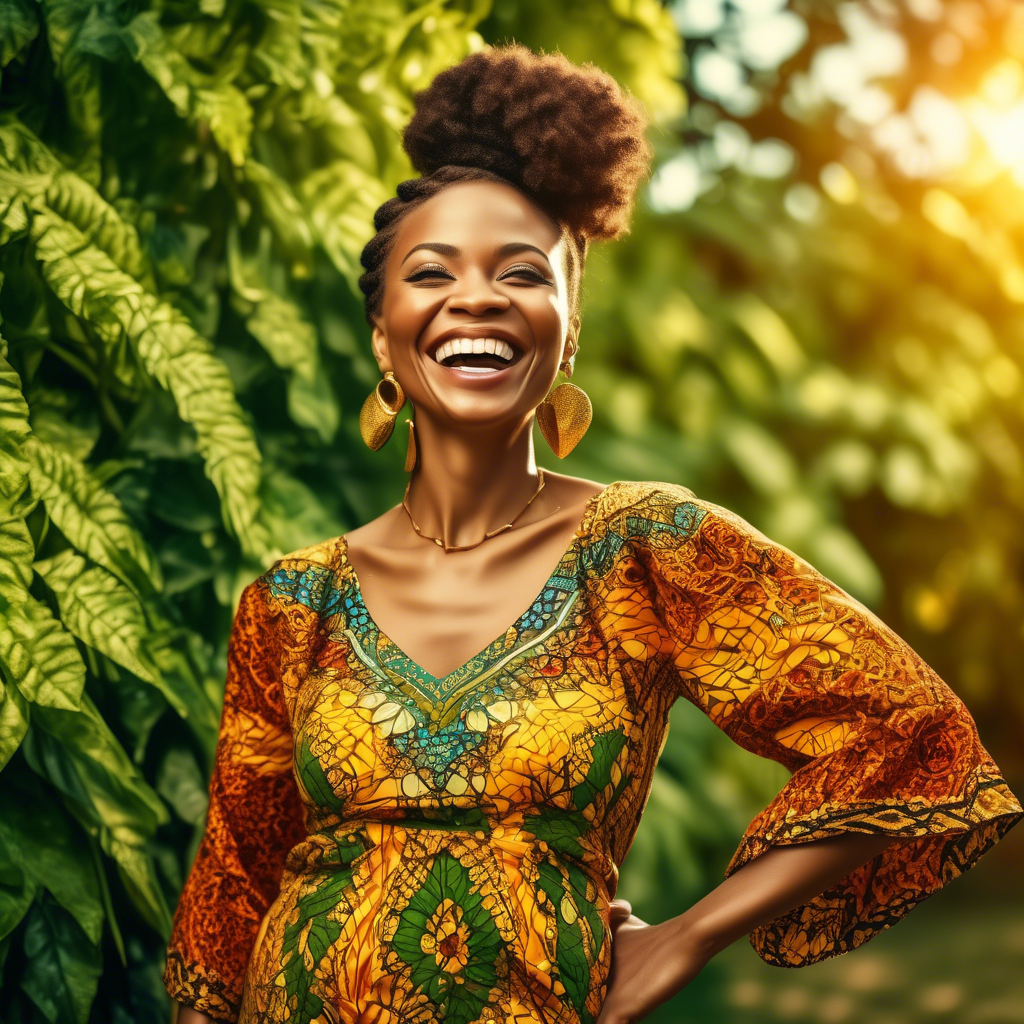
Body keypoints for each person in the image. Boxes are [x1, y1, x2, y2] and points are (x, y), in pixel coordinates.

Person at [164, 44, 1022, 1024]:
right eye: (432, 271)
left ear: (566, 328)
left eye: (520, 272)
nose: (475, 296)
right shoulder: (291, 600)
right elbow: (227, 917)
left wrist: (687, 935)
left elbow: (911, 734)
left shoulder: (645, 550)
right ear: (382, 333)